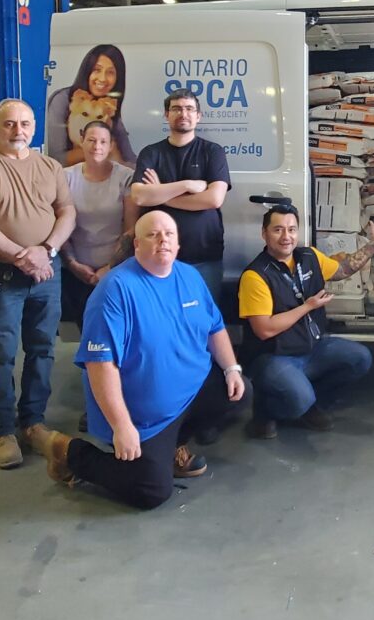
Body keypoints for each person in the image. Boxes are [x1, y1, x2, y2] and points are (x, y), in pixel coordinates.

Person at [38, 211, 246, 510]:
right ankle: (69, 453)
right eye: (153, 234)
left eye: (169, 235)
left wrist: (231, 369)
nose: (163, 239)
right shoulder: (115, 290)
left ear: (178, 245)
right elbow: (100, 365)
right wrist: (122, 426)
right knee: (151, 491)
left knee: (241, 392)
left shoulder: (189, 276)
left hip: (189, 393)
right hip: (143, 417)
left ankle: (172, 445)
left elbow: (214, 327)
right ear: (137, 244)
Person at [0, 98, 76, 470]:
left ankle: (33, 422)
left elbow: (66, 211)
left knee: (42, 350)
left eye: (25, 124)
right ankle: (1, 430)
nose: (17, 131)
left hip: (45, 275)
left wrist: (47, 250)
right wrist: (24, 256)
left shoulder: (49, 166)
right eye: (9, 124)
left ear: (34, 128)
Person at [239, 203, 374, 438]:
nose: (286, 237)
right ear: (264, 234)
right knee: (298, 399)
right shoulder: (255, 275)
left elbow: (343, 269)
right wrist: (308, 307)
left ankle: (308, 404)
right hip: (275, 357)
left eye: (292, 229)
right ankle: (266, 411)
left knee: (360, 358)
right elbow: (264, 329)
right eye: (278, 230)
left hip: (311, 348)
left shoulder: (308, 256)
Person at [130, 89, 231, 303]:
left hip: (204, 258)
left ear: (198, 115)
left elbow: (213, 199)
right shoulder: (151, 153)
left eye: (189, 109)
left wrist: (161, 195)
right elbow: (139, 196)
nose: (183, 114)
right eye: (176, 109)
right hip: (157, 257)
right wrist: (187, 185)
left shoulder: (212, 152)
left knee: (202, 321)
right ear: (166, 115)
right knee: (159, 320)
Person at [61, 121, 137, 328]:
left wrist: (110, 267)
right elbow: (60, 225)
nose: (97, 147)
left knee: (116, 326)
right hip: (77, 272)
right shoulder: (65, 177)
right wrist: (74, 265)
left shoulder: (126, 177)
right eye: (92, 140)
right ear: (82, 141)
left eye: (103, 142)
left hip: (118, 270)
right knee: (86, 328)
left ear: (111, 145)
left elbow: (131, 228)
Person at [46, 44, 136, 168]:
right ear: (87, 71)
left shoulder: (109, 107)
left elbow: (130, 160)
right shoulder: (62, 100)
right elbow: (54, 158)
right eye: (97, 70)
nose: (102, 78)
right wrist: (102, 148)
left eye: (110, 72)